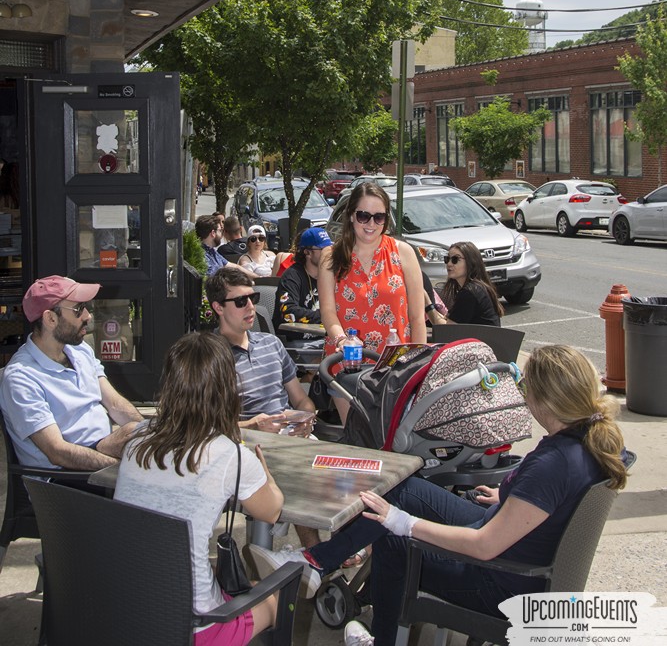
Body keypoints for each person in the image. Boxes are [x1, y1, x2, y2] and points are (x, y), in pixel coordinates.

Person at [248, 344, 629, 644]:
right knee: (404, 487)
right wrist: (511, 501)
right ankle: (315, 562)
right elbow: (553, 503)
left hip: (502, 581)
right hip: (523, 553)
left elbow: (482, 546)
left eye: (526, 387)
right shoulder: (591, 443)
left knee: (395, 537)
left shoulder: (553, 463)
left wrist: (407, 524)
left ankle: (372, 630)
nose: (522, 395)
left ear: (547, 400)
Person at [114, 332, 284, 646]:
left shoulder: (136, 439)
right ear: (228, 389)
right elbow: (271, 511)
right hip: (193, 627)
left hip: (126, 610)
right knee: (276, 594)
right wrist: (264, 472)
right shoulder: (231, 454)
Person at [207, 265, 318, 547]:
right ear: (218, 307)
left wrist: (306, 416)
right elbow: (207, 427)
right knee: (301, 476)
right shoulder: (210, 357)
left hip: (290, 437)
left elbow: (299, 397)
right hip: (245, 445)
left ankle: (337, 549)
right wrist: (254, 426)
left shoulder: (271, 344)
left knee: (339, 473)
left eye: (253, 299)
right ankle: (316, 553)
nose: (250, 307)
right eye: (240, 301)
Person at [0, 275, 144, 469]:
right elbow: (57, 452)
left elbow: (115, 404)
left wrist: (150, 434)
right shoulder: (21, 377)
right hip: (65, 480)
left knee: (139, 434)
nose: (87, 316)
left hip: (101, 451)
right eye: (78, 309)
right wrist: (120, 470)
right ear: (50, 318)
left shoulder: (79, 350)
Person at [318, 182, 426, 421]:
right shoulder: (331, 256)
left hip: (395, 367)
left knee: (392, 442)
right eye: (364, 216)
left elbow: (417, 317)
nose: (371, 224)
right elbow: (327, 311)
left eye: (379, 217)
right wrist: (342, 340)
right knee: (357, 441)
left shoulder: (403, 252)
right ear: (350, 215)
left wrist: (418, 365)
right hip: (347, 366)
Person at [272, 226, 332, 332]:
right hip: (296, 341)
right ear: (307, 252)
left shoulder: (332, 275)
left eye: (330, 248)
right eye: (323, 249)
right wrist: (327, 316)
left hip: (324, 340)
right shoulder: (292, 276)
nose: (328, 253)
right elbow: (288, 311)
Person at [439, 240, 504, 326]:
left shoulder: (469, 292)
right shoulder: (479, 287)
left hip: (480, 339)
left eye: (455, 259)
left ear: (471, 262)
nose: (449, 264)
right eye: (447, 259)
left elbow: (448, 330)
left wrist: (428, 305)